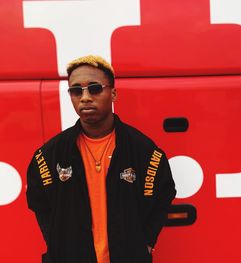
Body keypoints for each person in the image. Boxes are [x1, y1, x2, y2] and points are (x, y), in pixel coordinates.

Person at [26, 55, 176, 263]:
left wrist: (147, 242)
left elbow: (163, 193)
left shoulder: (143, 150)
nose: (85, 97)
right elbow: (38, 201)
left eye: (94, 88)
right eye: (76, 90)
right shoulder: (49, 154)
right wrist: (56, 242)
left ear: (113, 93)